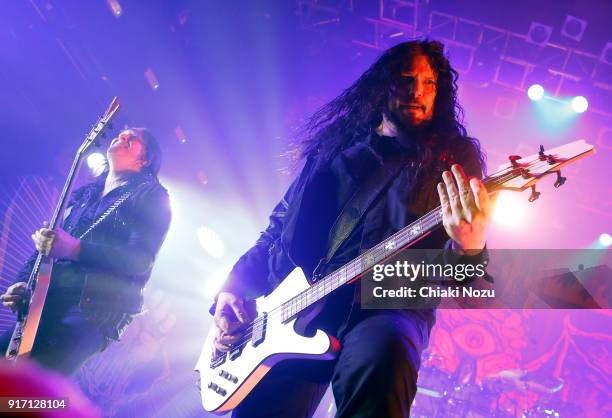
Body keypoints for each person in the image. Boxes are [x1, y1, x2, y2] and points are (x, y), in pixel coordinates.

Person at [211, 40, 494, 417]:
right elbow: (279, 225)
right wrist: (234, 285)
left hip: (384, 307)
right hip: (292, 305)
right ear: (382, 85)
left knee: (387, 353)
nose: (418, 92)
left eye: (430, 84)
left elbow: (458, 279)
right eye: (406, 80)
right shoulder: (336, 147)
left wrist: (469, 249)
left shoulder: (452, 159)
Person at [0, 127, 171, 375]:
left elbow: (139, 260)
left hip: (93, 312)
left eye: (132, 139)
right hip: (49, 298)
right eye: (122, 133)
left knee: (36, 392)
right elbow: (49, 246)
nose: (122, 137)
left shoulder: (152, 196)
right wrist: (22, 283)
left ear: (144, 160)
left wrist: (76, 249)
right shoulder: (84, 194)